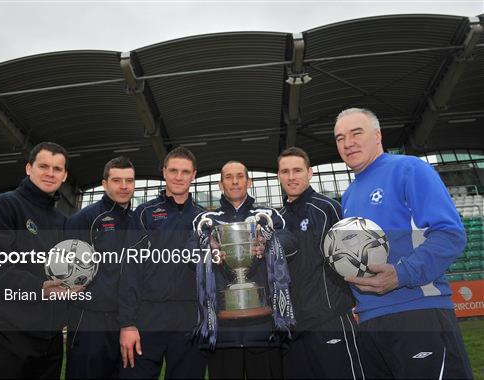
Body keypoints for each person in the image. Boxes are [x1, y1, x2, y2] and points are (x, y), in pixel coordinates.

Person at [334, 107, 473, 378]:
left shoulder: (409, 169)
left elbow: (450, 234)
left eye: (356, 133)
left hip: (417, 313)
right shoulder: (349, 195)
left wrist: (401, 274)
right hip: (371, 321)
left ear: (377, 136)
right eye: (339, 138)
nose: (347, 143)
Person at [0, 142, 81, 379]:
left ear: (65, 175)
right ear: (29, 168)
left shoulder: (61, 221)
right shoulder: (2, 206)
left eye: (57, 169)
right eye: (43, 166)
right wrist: (38, 287)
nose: (50, 173)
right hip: (3, 335)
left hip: (48, 342)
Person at [193, 161, 296, 379]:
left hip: (264, 329)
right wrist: (207, 247)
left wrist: (268, 241)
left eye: (240, 176)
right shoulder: (206, 220)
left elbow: (291, 242)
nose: (235, 181)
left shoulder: (268, 215)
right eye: (228, 177)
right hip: (222, 333)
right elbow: (187, 250)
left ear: (248, 182)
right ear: (221, 185)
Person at [118, 147, 207, 379]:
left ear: (194, 175)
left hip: (190, 321)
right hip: (148, 318)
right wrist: (127, 323)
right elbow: (130, 269)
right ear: (164, 172)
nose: (179, 177)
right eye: (174, 170)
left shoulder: (205, 218)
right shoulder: (144, 213)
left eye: (185, 172)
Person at [277, 147, 363, 379]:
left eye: (297, 170)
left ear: (310, 172)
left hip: (329, 319)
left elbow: (352, 258)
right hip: (293, 328)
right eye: (285, 171)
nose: (291, 176)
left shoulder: (328, 209)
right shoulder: (278, 219)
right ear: (278, 176)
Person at [65, 156, 135, 379]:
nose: (124, 186)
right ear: (105, 184)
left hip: (126, 320)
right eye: (117, 180)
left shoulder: (137, 220)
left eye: (129, 181)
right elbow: (68, 273)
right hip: (90, 321)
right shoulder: (85, 219)